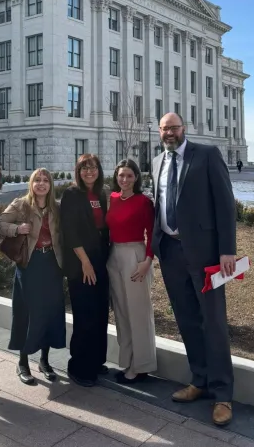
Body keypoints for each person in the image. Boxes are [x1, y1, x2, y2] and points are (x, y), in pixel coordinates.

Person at [152, 113, 236, 427]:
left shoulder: (207, 155)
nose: (169, 133)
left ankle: (223, 395)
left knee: (213, 322)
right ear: (159, 131)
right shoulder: (158, 162)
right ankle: (199, 380)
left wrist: (227, 250)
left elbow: (226, 204)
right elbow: (159, 204)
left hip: (206, 256)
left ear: (184, 128)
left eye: (173, 127)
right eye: (164, 128)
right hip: (171, 253)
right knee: (186, 320)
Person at [0, 168, 65, 384]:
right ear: (31, 183)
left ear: (51, 184)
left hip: (52, 265)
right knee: (26, 312)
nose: (42, 184)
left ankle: (44, 361)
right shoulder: (21, 204)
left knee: (49, 312)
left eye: (46, 180)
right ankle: (23, 362)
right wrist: (17, 229)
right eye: (37, 180)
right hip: (30, 264)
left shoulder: (56, 207)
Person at [60, 154, 110, 387]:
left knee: (100, 311)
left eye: (93, 168)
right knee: (85, 314)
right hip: (81, 262)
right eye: (84, 168)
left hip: (100, 259)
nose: (89, 172)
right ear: (78, 172)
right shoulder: (72, 195)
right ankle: (79, 366)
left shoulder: (101, 194)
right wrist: (85, 262)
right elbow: (70, 232)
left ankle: (96, 360)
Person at [106, 159, 156, 384]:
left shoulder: (143, 202)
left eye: (129, 175)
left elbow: (152, 233)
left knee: (138, 311)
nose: (124, 180)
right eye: (121, 175)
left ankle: (141, 365)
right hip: (114, 256)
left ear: (136, 178)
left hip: (135, 256)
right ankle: (127, 360)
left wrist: (148, 261)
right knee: (122, 313)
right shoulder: (112, 199)